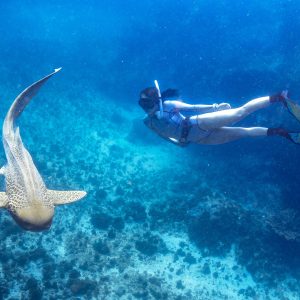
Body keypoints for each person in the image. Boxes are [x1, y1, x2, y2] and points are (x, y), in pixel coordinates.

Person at [138, 83, 300, 146]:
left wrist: (215, 106)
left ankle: (279, 98)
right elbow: (162, 135)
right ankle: (281, 132)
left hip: (197, 123)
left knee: (239, 113)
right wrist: (176, 143)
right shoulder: (148, 122)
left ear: (156, 101)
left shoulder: (168, 105)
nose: (146, 108)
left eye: (148, 103)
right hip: (201, 139)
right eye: (143, 105)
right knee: (245, 133)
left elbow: (193, 107)